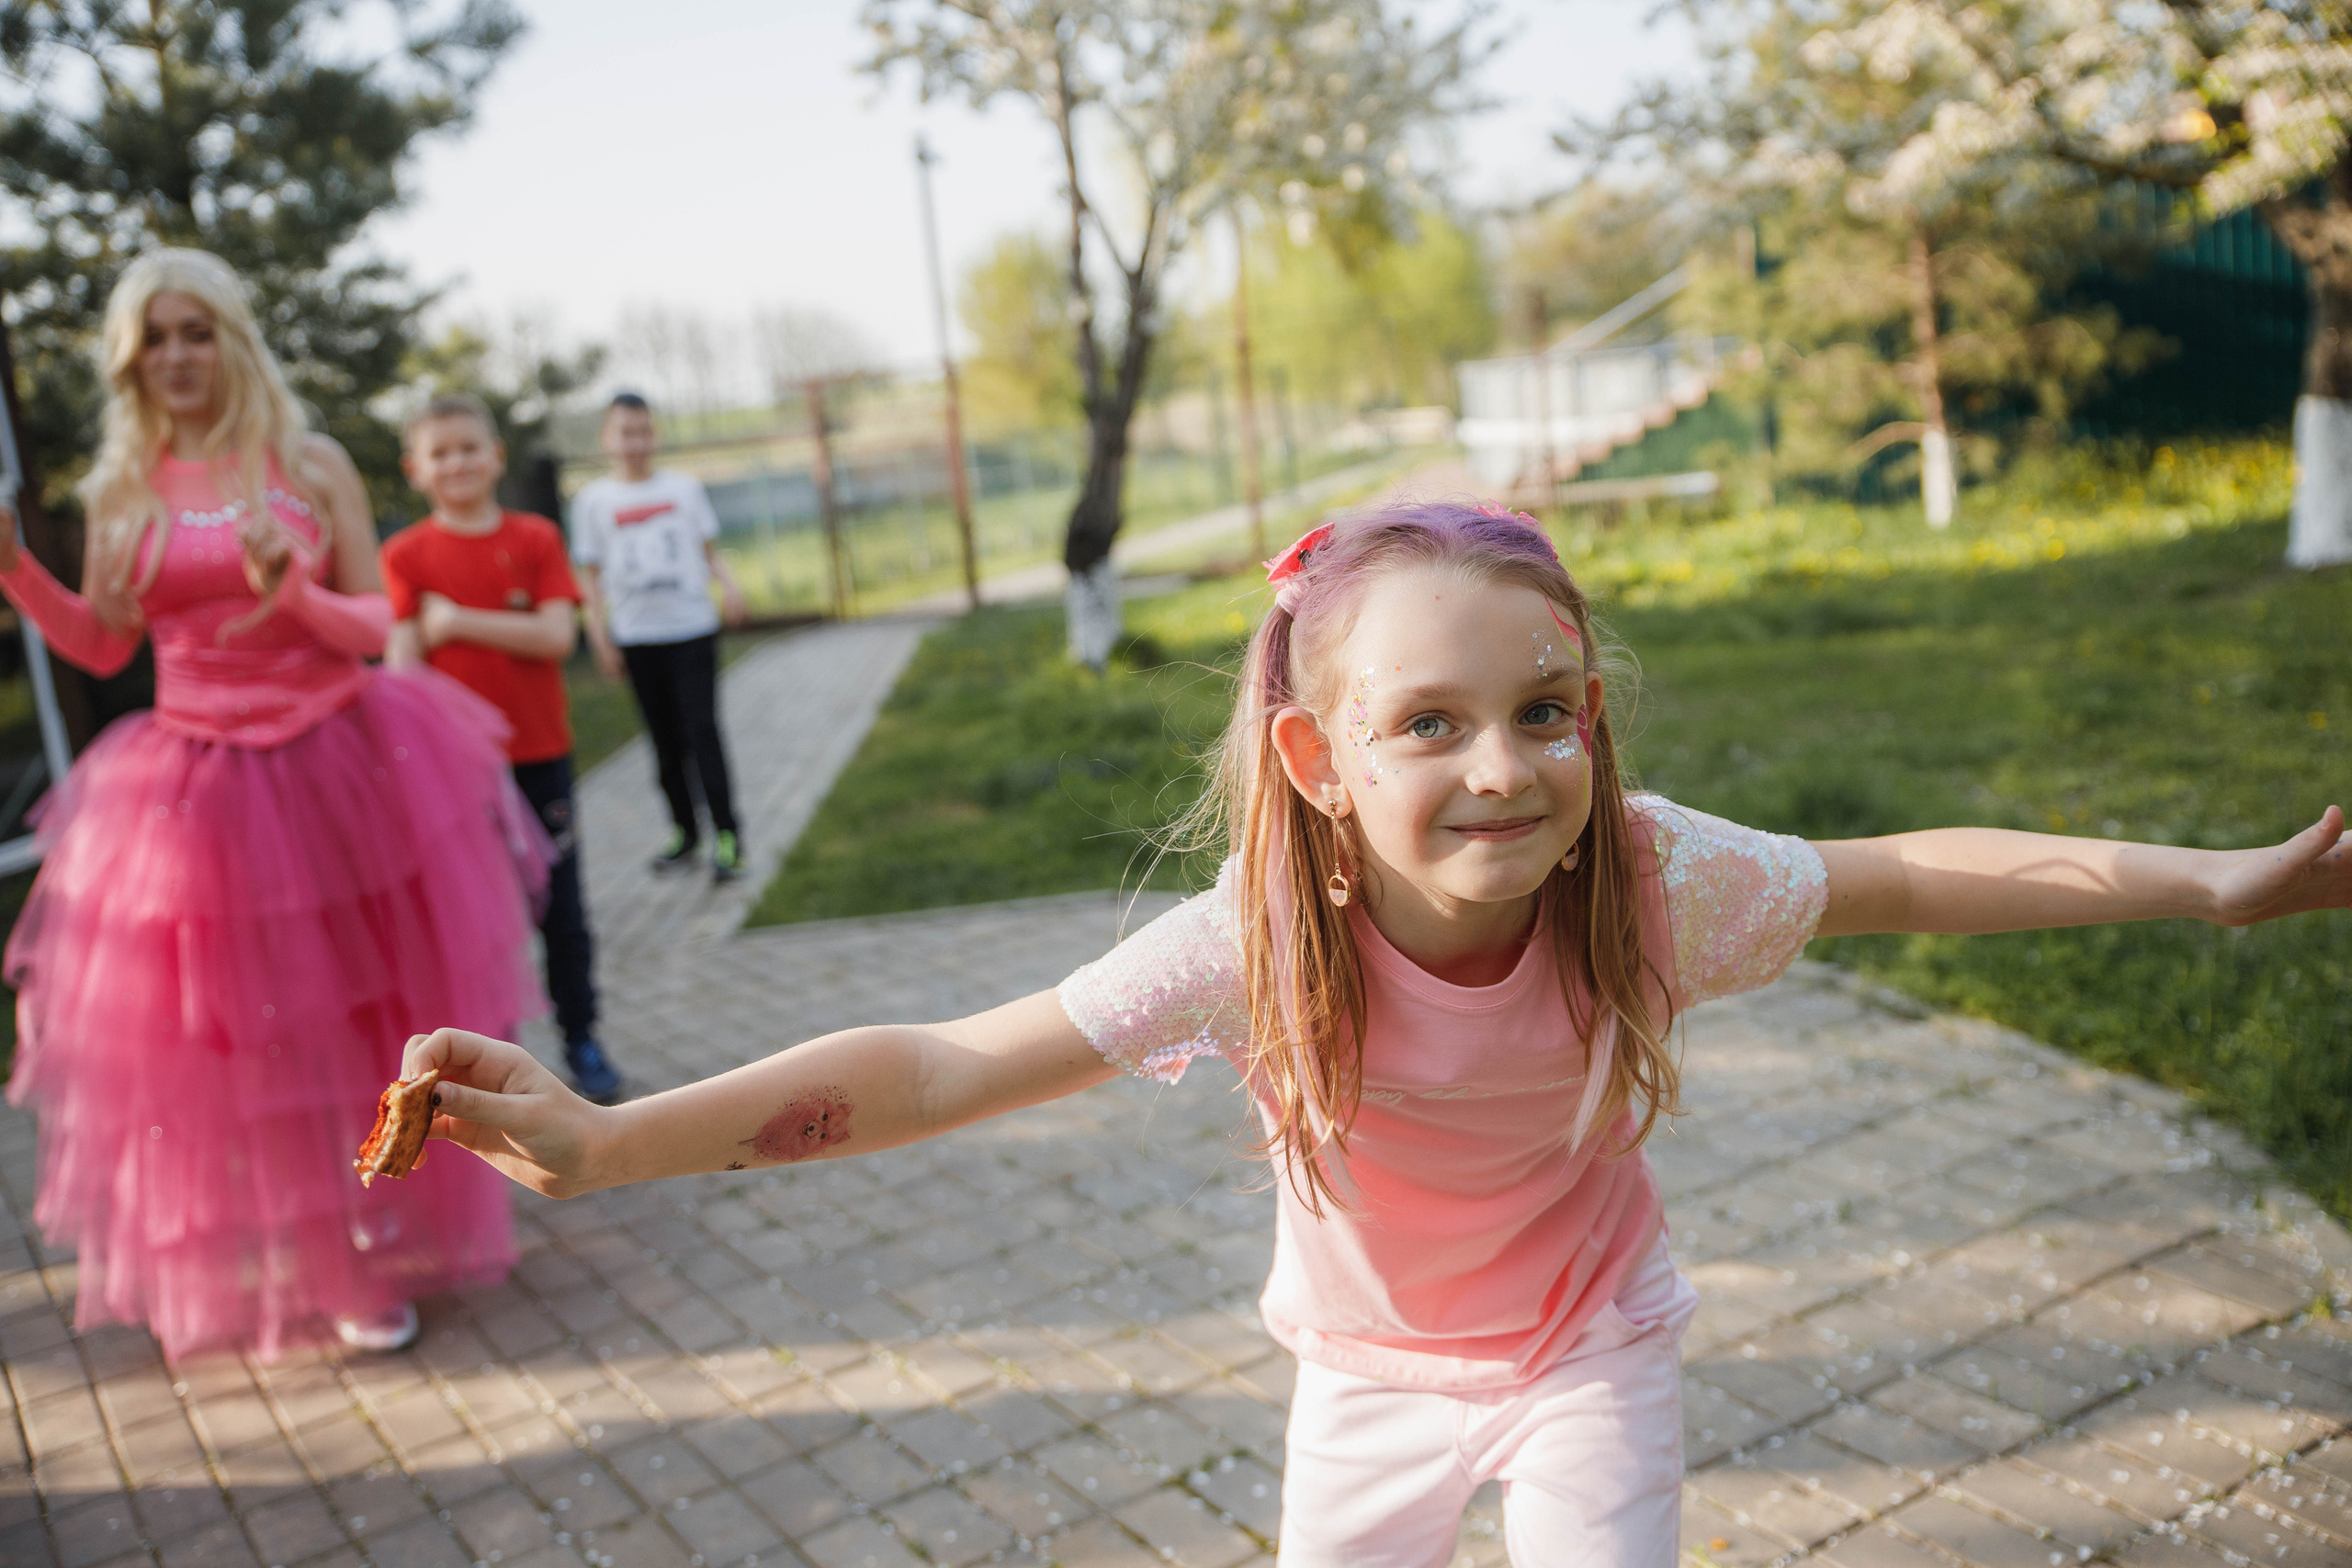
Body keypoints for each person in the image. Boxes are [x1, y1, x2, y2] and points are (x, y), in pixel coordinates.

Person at [399, 502, 2350, 1564]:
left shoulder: (1656, 881)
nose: (1503, 768)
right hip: (1365, 1374)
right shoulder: (1256, 942)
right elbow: (935, 1065)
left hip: (1594, 1346)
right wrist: (602, 1137)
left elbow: (1918, 869)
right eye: (1429, 722)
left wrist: (2216, 883)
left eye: (1546, 708)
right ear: (1319, 759)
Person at [0, 249, 548, 1360]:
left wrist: (286, 590)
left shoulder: (306, 463)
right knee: (246, 1046)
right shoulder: (121, 488)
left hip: (337, 768)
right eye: (154, 338)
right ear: (129, 359)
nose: (177, 356)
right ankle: (326, 1255)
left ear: (232, 338)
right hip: (193, 787)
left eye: (195, 330)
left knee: (364, 1024)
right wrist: (15, 571)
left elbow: (372, 628)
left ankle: (388, 1213)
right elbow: (106, 643)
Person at [380, 393, 625, 1106]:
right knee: (475, 923)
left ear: (495, 456)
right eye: (440, 452)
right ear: (416, 470)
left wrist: (455, 620)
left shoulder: (536, 537)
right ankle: (492, 1062)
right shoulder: (406, 555)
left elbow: (555, 636)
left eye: (468, 448)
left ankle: (582, 1038)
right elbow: (403, 664)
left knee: (562, 914)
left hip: (539, 755)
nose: (456, 462)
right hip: (455, 773)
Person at [569, 393, 749, 882]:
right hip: (637, 637)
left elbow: (708, 550)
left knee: (702, 732)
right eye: (625, 433)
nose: (635, 443)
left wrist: (730, 586)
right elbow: (589, 578)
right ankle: (684, 832)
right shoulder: (593, 502)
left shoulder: (684, 488)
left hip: (691, 628)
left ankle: (729, 836)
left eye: (644, 431)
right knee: (664, 743)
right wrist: (601, 638)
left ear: (655, 435)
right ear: (608, 438)